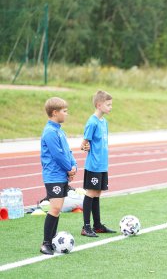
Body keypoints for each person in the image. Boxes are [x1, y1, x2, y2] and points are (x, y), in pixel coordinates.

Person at [40, 97, 77, 255]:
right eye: (64, 111)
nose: (66, 114)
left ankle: (52, 239)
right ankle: (46, 243)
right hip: (53, 176)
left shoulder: (60, 131)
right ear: (55, 113)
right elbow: (57, 155)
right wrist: (69, 168)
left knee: (58, 209)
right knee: (54, 208)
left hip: (61, 175)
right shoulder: (49, 132)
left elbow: (67, 152)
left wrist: (74, 165)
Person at [80, 91, 116, 237]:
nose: (110, 107)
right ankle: (86, 227)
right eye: (108, 105)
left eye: (111, 104)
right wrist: (85, 146)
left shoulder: (104, 122)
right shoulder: (92, 122)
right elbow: (84, 144)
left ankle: (98, 225)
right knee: (91, 192)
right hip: (93, 165)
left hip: (102, 165)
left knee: (98, 193)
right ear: (98, 105)